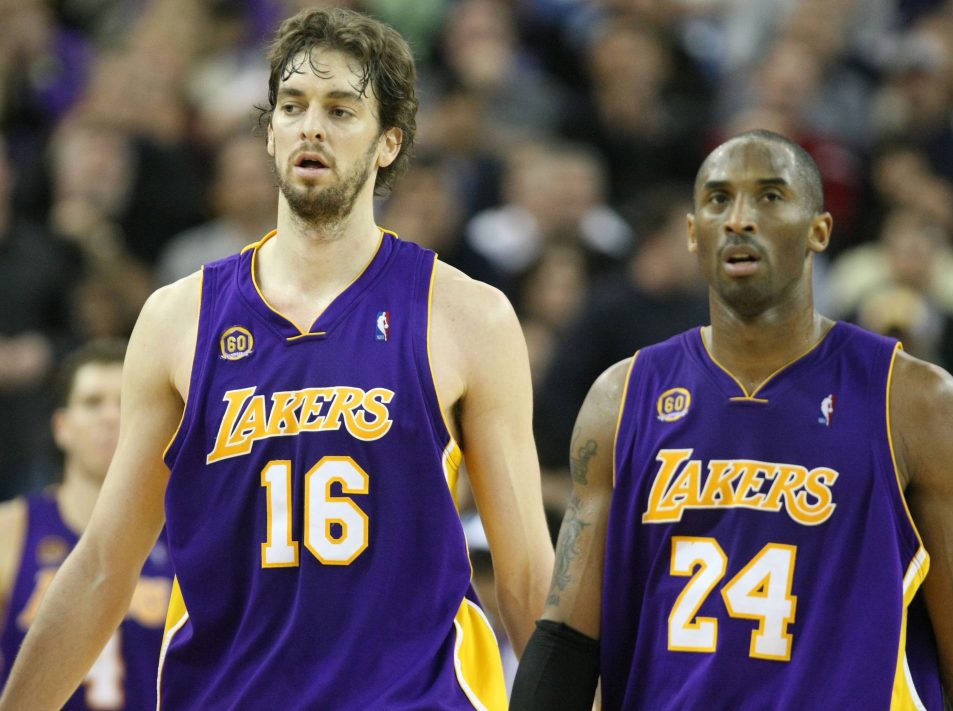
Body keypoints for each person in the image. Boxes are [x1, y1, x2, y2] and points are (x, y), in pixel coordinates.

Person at [0, 8, 552, 710]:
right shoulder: (179, 319)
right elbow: (106, 562)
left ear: (389, 142)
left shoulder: (468, 316)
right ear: (268, 133)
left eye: (341, 109)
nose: (310, 126)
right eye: (292, 107)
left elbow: (529, 577)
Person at [510, 129, 953, 710]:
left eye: (770, 196)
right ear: (691, 232)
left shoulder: (914, 400)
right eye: (718, 199)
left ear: (819, 231)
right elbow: (568, 640)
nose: (739, 219)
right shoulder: (621, 398)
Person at [0, 339, 174, 709]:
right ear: (62, 427)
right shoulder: (11, 529)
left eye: (125, 404)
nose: (111, 417)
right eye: (93, 402)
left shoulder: (188, 532)